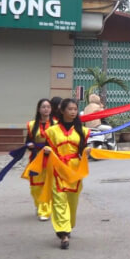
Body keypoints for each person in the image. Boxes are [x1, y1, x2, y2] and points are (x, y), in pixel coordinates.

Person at [41, 98, 89, 249]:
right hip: (57, 168)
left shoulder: (83, 131)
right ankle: (64, 233)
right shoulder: (52, 131)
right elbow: (45, 149)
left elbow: (83, 152)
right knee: (59, 199)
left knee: (72, 202)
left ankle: (68, 225)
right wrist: (47, 151)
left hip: (75, 170)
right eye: (70, 109)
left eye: (75, 109)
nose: (73, 112)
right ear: (62, 111)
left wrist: (87, 152)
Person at [25, 98, 55, 221]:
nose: (46, 109)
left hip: (51, 158)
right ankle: (39, 205)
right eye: (43, 107)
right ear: (39, 109)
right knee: (36, 186)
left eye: (48, 107)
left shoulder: (56, 124)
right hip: (36, 157)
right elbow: (27, 141)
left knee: (49, 184)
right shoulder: (32, 125)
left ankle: (45, 210)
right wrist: (30, 145)